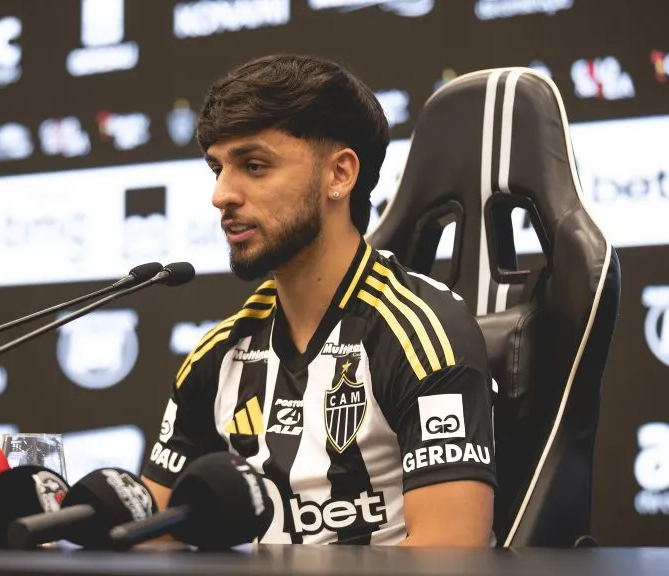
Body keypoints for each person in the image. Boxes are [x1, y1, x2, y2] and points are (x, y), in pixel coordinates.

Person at [140, 54, 496, 547]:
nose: (221, 194)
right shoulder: (217, 356)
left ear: (340, 175)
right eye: (217, 168)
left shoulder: (422, 335)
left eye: (254, 165)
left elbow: (448, 558)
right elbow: (152, 537)